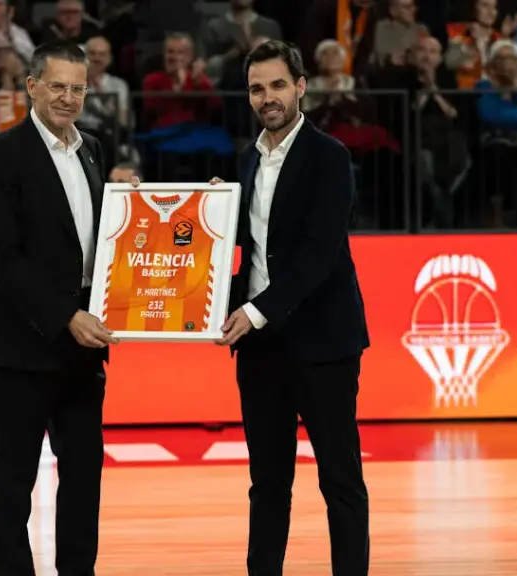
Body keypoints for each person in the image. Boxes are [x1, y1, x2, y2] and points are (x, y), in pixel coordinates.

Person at [217, 40, 371, 576]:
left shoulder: (330, 156)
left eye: (278, 85)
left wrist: (255, 311)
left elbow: (318, 254)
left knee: (340, 480)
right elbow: (249, 248)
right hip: (261, 348)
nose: (268, 97)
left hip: (323, 342)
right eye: (257, 88)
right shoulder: (247, 159)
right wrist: (211, 210)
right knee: (267, 482)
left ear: (301, 87)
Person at [0, 40, 113, 576]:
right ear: (32, 87)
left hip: (83, 344)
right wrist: (65, 317)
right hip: (21, 343)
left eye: (78, 88)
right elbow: (4, 259)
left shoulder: (94, 148)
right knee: (15, 479)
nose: (68, 97)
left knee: (84, 474)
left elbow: (105, 238)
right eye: (57, 86)